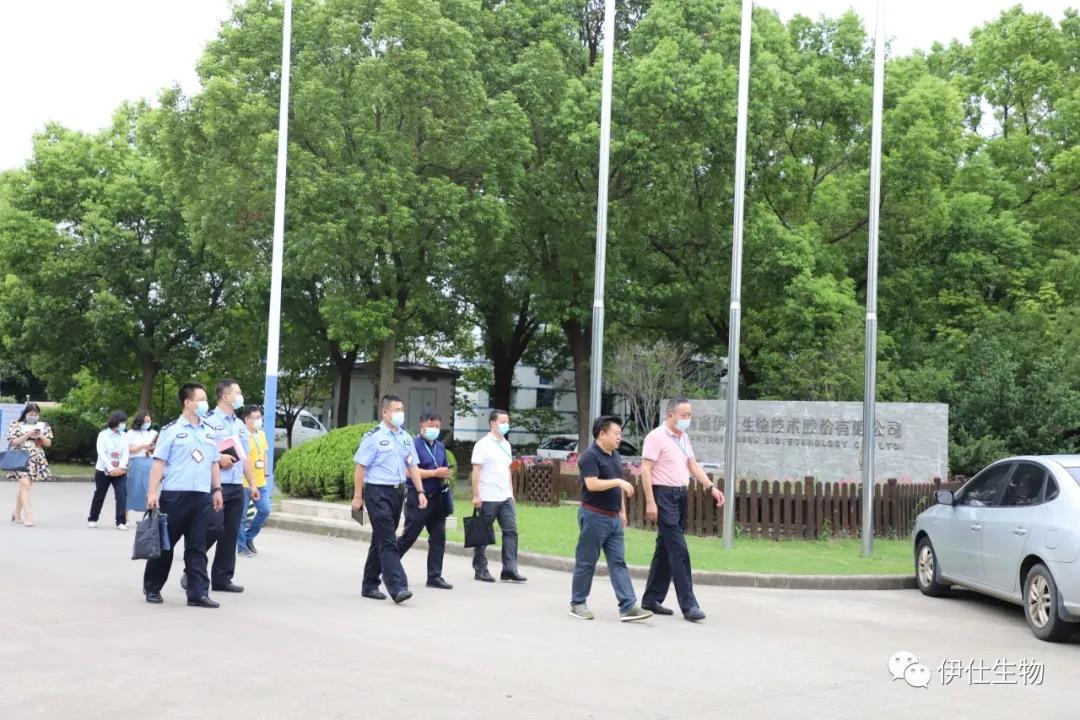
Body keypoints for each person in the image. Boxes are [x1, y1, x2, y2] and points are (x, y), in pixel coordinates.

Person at [640, 398, 724, 622]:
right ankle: (689, 605)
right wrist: (650, 502)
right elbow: (645, 470)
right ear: (671, 415)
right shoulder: (656, 437)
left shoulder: (683, 437)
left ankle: (651, 599)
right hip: (663, 495)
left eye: (690, 415)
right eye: (684, 415)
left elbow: (692, 465)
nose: (688, 419)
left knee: (665, 548)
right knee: (679, 550)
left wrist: (711, 487)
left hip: (680, 495)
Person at [143, 382, 224, 608]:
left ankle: (198, 593)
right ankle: (153, 587)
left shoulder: (209, 431)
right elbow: (159, 464)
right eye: (201, 399)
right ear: (188, 402)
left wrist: (217, 489)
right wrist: (152, 493)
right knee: (166, 544)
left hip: (202, 496)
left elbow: (214, 463)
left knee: (197, 545)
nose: (205, 403)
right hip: (175, 495)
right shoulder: (171, 430)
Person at [569, 416, 652, 622]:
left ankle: (628, 606)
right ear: (602, 434)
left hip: (613, 518)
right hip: (593, 516)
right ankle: (578, 603)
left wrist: (622, 511)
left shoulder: (615, 455)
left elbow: (617, 488)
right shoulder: (590, 456)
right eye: (616, 434)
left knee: (618, 562)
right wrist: (617, 482)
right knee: (587, 561)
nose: (619, 438)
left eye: (620, 434)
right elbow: (592, 484)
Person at [351, 394, 425, 604]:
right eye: (396, 410)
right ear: (385, 412)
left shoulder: (405, 437)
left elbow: (413, 466)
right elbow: (360, 467)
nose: (400, 413)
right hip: (377, 493)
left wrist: (420, 491)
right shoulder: (373, 437)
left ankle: (369, 584)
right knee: (388, 540)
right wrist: (358, 496)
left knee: (380, 539)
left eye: (402, 409)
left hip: (397, 492)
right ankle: (398, 586)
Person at [200, 379, 257, 593]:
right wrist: (219, 457)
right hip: (216, 485)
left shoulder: (239, 424)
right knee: (214, 528)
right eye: (237, 393)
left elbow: (245, 457)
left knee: (231, 533)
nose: (240, 396)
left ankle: (222, 578)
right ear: (225, 396)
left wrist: (252, 484)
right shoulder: (208, 421)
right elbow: (201, 450)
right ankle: (193, 569)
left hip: (236, 484)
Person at [396, 412, 452, 590]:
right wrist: (434, 473)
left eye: (437, 426)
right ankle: (387, 566)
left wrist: (445, 473)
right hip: (418, 497)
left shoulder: (440, 446)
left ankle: (434, 576)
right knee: (409, 536)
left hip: (437, 497)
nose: (434, 429)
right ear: (422, 425)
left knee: (438, 538)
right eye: (431, 426)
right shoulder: (413, 444)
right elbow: (408, 471)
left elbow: (443, 467)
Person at [470, 409, 526, 584]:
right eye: (502, 422)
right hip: (488, 495)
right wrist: (476, 494)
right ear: (492, 423)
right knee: (483, 534)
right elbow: (476, 471)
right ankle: (480, 569)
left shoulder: (506, 445)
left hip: (505, 495)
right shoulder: (482, 445)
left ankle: (509, 569)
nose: (505, 425)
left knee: (510, 531)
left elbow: (508, 470)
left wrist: (511, 492)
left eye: (507, 422)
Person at [7, 403, 53, 527]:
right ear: (25, 413)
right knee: (25, 485)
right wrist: (27, 435)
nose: (33, 416)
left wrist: (40, 437)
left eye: (36, 414)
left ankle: (16, 513)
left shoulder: (43, 425)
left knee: (24, 487)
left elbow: (48, 443)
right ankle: (29, 515)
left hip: (36, 458)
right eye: (31, 414)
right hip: (20, 457)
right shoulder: (16, 425)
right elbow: (13, 442)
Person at [237, 404, 271, 558]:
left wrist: (266, 474)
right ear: (246, 419)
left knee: (265, 510)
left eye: (260, 417)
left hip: (260, 481)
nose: (258, 420)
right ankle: (241, 547)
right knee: (242, 516)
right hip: (244, 482)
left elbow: (264, 454)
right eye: (255, 417)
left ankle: (249, 537)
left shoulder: (261, 434)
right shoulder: (242, 435)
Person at [88, 410, 130, 530]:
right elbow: (101, 453)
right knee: (100, 494)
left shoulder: (125, 436)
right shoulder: (103, 435)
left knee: (122, 494)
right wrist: (110, 468)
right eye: (122, 422)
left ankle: (120, 521)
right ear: (115, 422)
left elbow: (126, 453)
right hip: (103, 470)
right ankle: (93, 518)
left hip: (120, 470)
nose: (123, 425)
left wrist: (121, 467)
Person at [125, 410, 157, 522]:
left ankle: (149, 517)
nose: (147, 423)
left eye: (149, 421)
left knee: (148, 490)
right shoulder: (131, 433)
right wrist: (141, 447)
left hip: (150, 462)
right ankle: (125, 516)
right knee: (131, 489)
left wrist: (151, 449)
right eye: (145, 421)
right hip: (136, 462)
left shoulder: (153, 433)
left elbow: (158, 449)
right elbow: (127, 449)